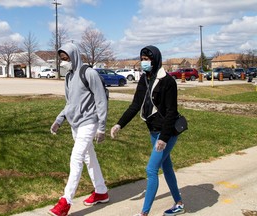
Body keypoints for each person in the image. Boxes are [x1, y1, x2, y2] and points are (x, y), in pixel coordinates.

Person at [110, 45, 185, 216]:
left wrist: (164, 139)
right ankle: (179, 204)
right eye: (142, 59)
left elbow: (171, 112)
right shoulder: (145, 79)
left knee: (151, 170)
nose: (144, 62)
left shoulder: (168, 81)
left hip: (167, 134)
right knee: (167, 168)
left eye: (147, 59)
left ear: (156, 59)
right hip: (153, 131)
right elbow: (135, 105)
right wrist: (119, 124)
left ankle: (144, 213)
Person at [48, 42, 109, 216]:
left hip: (89, 122)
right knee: (89, 158)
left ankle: (65, 201)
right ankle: (101, 191)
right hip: (76, 123)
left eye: (65, 58)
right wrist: (59, 120)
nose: (63, 62)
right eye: (61, 59)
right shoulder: (68, 77)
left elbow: (101, 101)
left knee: (76, 158)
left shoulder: (89, 73)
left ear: (73, 56)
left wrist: (102, 127)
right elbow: (70, 103)